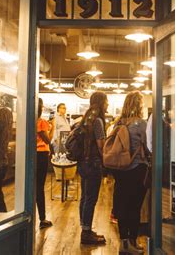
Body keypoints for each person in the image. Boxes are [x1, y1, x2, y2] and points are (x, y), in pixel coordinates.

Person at [112, 92, 149, 254]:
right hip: (137, 168)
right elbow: (149, 147)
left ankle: (124, 243)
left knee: (122, 204)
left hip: (120, 169)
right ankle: (133, 242)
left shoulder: (118, 123)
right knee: (134, 207)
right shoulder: (142, 124)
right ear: (139, 105)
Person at [78, 92, 108, 245]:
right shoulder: (98, 121)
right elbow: (101, 145)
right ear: (102, 102)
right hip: (94, 164)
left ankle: (85, 228)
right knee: (91, 199)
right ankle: (86, 233)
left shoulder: (87, 118)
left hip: (83, 163)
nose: (108, 104)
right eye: (106, 101)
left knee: (85, 197)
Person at [36, 98, 54, 229]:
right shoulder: (41, 122)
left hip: (31, 153)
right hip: (41, 155)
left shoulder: (30, 121)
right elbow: (48, 140)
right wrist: (51, 128)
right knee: (39, 187)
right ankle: (42, 219)